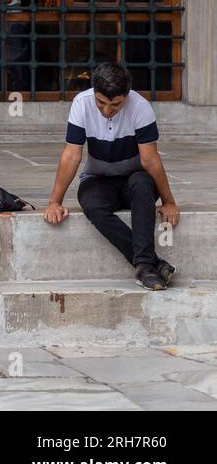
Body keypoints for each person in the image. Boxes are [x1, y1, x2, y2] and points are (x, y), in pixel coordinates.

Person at [41, 61, 180, 291]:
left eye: (115, 105)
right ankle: (152, 263)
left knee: (143, 184)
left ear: (126, 96)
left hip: (134, 179)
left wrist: (169, 201)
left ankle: (144, 266)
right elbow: (71, 156)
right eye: (101, 103)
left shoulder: (141, 106)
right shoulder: (81, 104)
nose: (107, 110)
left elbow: (150, 160)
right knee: (92, 204)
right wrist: (54, 202)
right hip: (99, 179)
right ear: (94, 92)